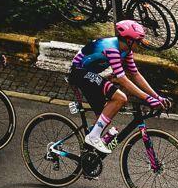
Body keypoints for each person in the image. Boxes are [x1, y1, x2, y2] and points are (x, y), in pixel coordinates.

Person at [68, 19, 169, 153]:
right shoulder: (112, 48)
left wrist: (156, 96)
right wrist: (147, 98)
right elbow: (122, 79)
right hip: (79, 73)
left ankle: (88, 155)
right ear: (128, 40)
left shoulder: (126, 51)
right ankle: (93, 137)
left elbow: (135, 74)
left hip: (89, 74)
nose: (140, 44)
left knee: (105, 115)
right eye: (138, 41)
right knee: (120, 98)